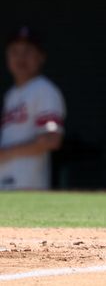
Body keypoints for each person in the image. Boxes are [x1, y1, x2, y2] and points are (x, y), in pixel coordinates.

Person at [0, 26, 66, 190]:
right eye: (15, 51)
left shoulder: (44, 89)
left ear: (41, 56)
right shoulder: (11, 95)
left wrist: (5, 153)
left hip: (27, 186)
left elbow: (51, 139)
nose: (21, 58)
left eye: (28, 51)